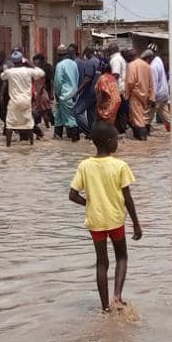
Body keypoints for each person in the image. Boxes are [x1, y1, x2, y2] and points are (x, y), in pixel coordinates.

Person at [69, 121, 142, 313]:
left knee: (101, 262)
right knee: (122, 257)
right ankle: (117, 296)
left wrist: (90, 204)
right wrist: (136, 223)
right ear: (109, 142)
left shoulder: (84, 166)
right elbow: (127, 197)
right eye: (117, 139)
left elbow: (72, 195)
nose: (118, 143)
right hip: (115, 219)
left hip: (95, 221)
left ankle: (105, 308)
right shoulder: (120, 166)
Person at [0, 52, 45, 147]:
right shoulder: (28, 71)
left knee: (10, 124)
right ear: (22, 61)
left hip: (14, 101)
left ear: (13, 61)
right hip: (26, 101)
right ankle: (31, 144)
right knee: (28, 123)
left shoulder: (10, 72)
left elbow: (2, 76)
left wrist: (6, 70)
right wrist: (30, 64)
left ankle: (8, 146)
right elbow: (41, 73)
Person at [125, 50, 156, 141]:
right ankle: (141, 140)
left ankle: (142, 140)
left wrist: (127, 94)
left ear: (130, 57)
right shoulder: (147, 66)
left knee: (138, 119)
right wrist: (151, 96)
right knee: (142, 118)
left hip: (135, 95)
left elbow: (130, 82)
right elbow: (151, 83)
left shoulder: (131, 65)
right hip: (146, 96)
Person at [73, 46, 102, 137]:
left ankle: (89, 133)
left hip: (88, 92)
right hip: (97, 92)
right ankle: (94, 134)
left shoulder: (90, 63)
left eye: (85, 53)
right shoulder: (99, 62)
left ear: (88, 53)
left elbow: (87, 79)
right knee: (91, 114)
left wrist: (77, 92)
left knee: (76, 112)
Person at [53, 45, 80, 141]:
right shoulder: (74, 64)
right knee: (58, 119)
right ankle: (57, 139)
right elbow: (77, 77)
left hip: (64, 95)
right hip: (73, 94)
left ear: (58, 54)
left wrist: (57, 93)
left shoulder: (60, 65)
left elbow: (58, 82)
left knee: (70, 120)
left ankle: (76, 140)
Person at [147, 46, 170, 131]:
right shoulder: (158, 60)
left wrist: (152, 98)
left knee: (148, 115)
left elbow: (154, 83)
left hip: (158, 95)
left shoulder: (153, 66)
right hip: (164, 92)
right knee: (165, 114)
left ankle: (144, 133)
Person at [31, 53, 54, 136]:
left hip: (41, 95)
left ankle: (43, 130)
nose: (35, 64)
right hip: (41, 94)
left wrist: (51, 93)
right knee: (44, 112)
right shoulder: (37, 72)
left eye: (36, 63)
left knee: (43, 113)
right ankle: (47, 128)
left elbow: (42, 85)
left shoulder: (43, 71)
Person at [94, 63, 121, 127]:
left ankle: (106, 134)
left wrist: (99, 104)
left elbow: (104, 91)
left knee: (103, 118)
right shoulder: (112, 77)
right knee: (110, 120)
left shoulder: (103, 78)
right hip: (117, 101)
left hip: (109, 102)